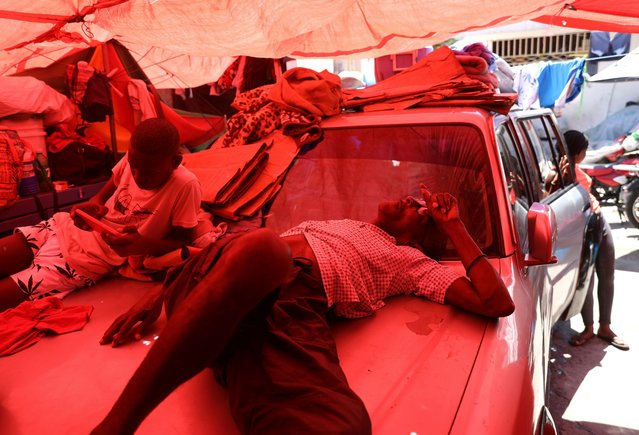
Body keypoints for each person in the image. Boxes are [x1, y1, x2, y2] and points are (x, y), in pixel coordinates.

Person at [91, 183, 514, 435]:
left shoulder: (409, 262)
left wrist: (453, 225)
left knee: (342, 423)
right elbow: (225, 256)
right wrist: (163, 291)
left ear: (419, 240)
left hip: (288, 308)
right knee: (260, 247)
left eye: (420, 211)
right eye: (411, 197)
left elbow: (496, 302)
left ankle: (226, 334)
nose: (410, 199)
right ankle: (115, 426)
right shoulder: (342, 224)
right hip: (226, 267)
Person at [0, 118, 202, 312]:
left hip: (82, 261)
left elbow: (184, 240)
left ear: (175, 161)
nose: (138, 177)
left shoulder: (185, 185)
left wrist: (143, 244)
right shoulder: (135, 160)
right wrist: (93, 207)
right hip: (61, 228)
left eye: (149, 173)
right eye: (133, 167)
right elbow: (99, 198)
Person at [563, 130, 629, 351]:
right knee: (591, 280)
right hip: (585, 228)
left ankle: (602, 327)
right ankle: (592, 328)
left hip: (598, 222)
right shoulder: (561, 173)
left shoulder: (566, 170)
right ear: (580, 153)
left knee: (603, 276)